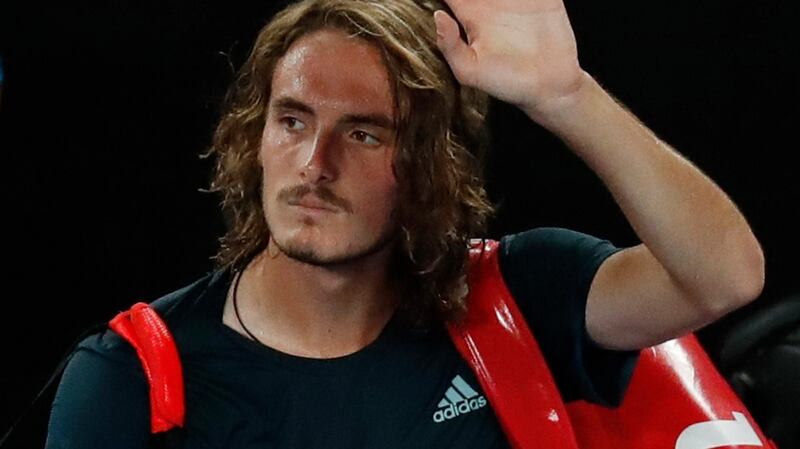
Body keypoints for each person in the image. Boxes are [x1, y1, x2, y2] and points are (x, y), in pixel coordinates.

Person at [44, 0, 765, 447]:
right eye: (292, 121)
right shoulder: (131, 376)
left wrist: (565, 95)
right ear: (253, 138)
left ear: (430, 165)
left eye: (363, 134)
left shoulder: (514, 296)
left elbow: (722, 277)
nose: (313, 163)